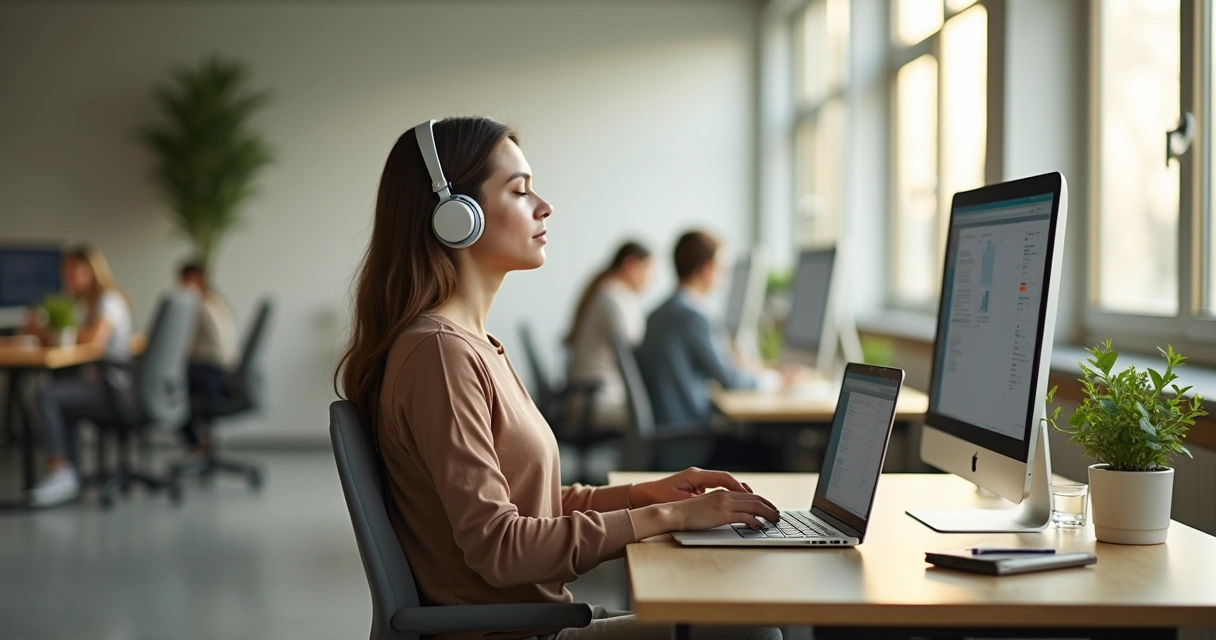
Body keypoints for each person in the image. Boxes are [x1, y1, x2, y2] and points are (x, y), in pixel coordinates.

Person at [335, 116, 780, 640]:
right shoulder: (440, 354)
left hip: (539, 620)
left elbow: (533, 505)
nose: (544, 206)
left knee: (742, 613)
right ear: (457, 217)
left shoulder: (472, 344)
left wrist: (650, 496)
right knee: (751, 631)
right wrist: (669, 519)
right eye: (519, 190)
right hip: (516, 633)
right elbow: (500, 547)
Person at [635, 231, 780, 470]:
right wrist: (777, 380)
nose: (724, 278)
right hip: (689, 445)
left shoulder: (659, 313)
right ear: (706, 268)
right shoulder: (692, 317)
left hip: (668, 436)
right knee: (770, 452)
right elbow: (730, 380)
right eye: (722, 269)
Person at [24, 245, 134, 506]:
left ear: (91, 271)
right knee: (60, 392)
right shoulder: (84, 304)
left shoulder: (109, 300)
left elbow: (93, 341)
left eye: (73, 271)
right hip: (102, 382)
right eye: (65, 272)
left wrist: (48, 334)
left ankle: (61, 470)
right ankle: (68, 471)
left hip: (113, 388)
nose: (68, 278)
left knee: (48, 395)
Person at [564, 241, 653, 433]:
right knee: (659, 411)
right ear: (630, 265)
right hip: (597, 399)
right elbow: (634, 345)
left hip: (593, 395)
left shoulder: (607, 292)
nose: (650, 279)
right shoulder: (613, 298)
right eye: (648, 270)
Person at [178, 260, 239, 454]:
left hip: (211, 373)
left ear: (194, 279)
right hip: (225, 372)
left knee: (170, 387)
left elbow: (185, 344)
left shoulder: (197, 303)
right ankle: (201, 443)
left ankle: (196, 444)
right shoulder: (216, 301)